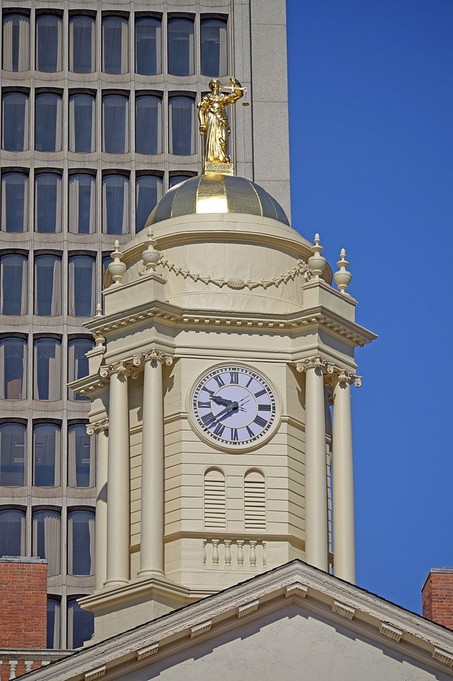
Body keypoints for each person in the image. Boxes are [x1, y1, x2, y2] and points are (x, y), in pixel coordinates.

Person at [197, 78, 246, 164]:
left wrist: (237, 84)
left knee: (223, 138)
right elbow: (202, 110)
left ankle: (223, 157)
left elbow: (238, 95)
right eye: (213, 84)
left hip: (222, 118)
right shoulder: (208, 97)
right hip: (212, 117)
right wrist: (202, 123)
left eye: (216, 83)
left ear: (219, 86)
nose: (214, 85)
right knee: (212, 137)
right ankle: (211, 158)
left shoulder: (222, 97)